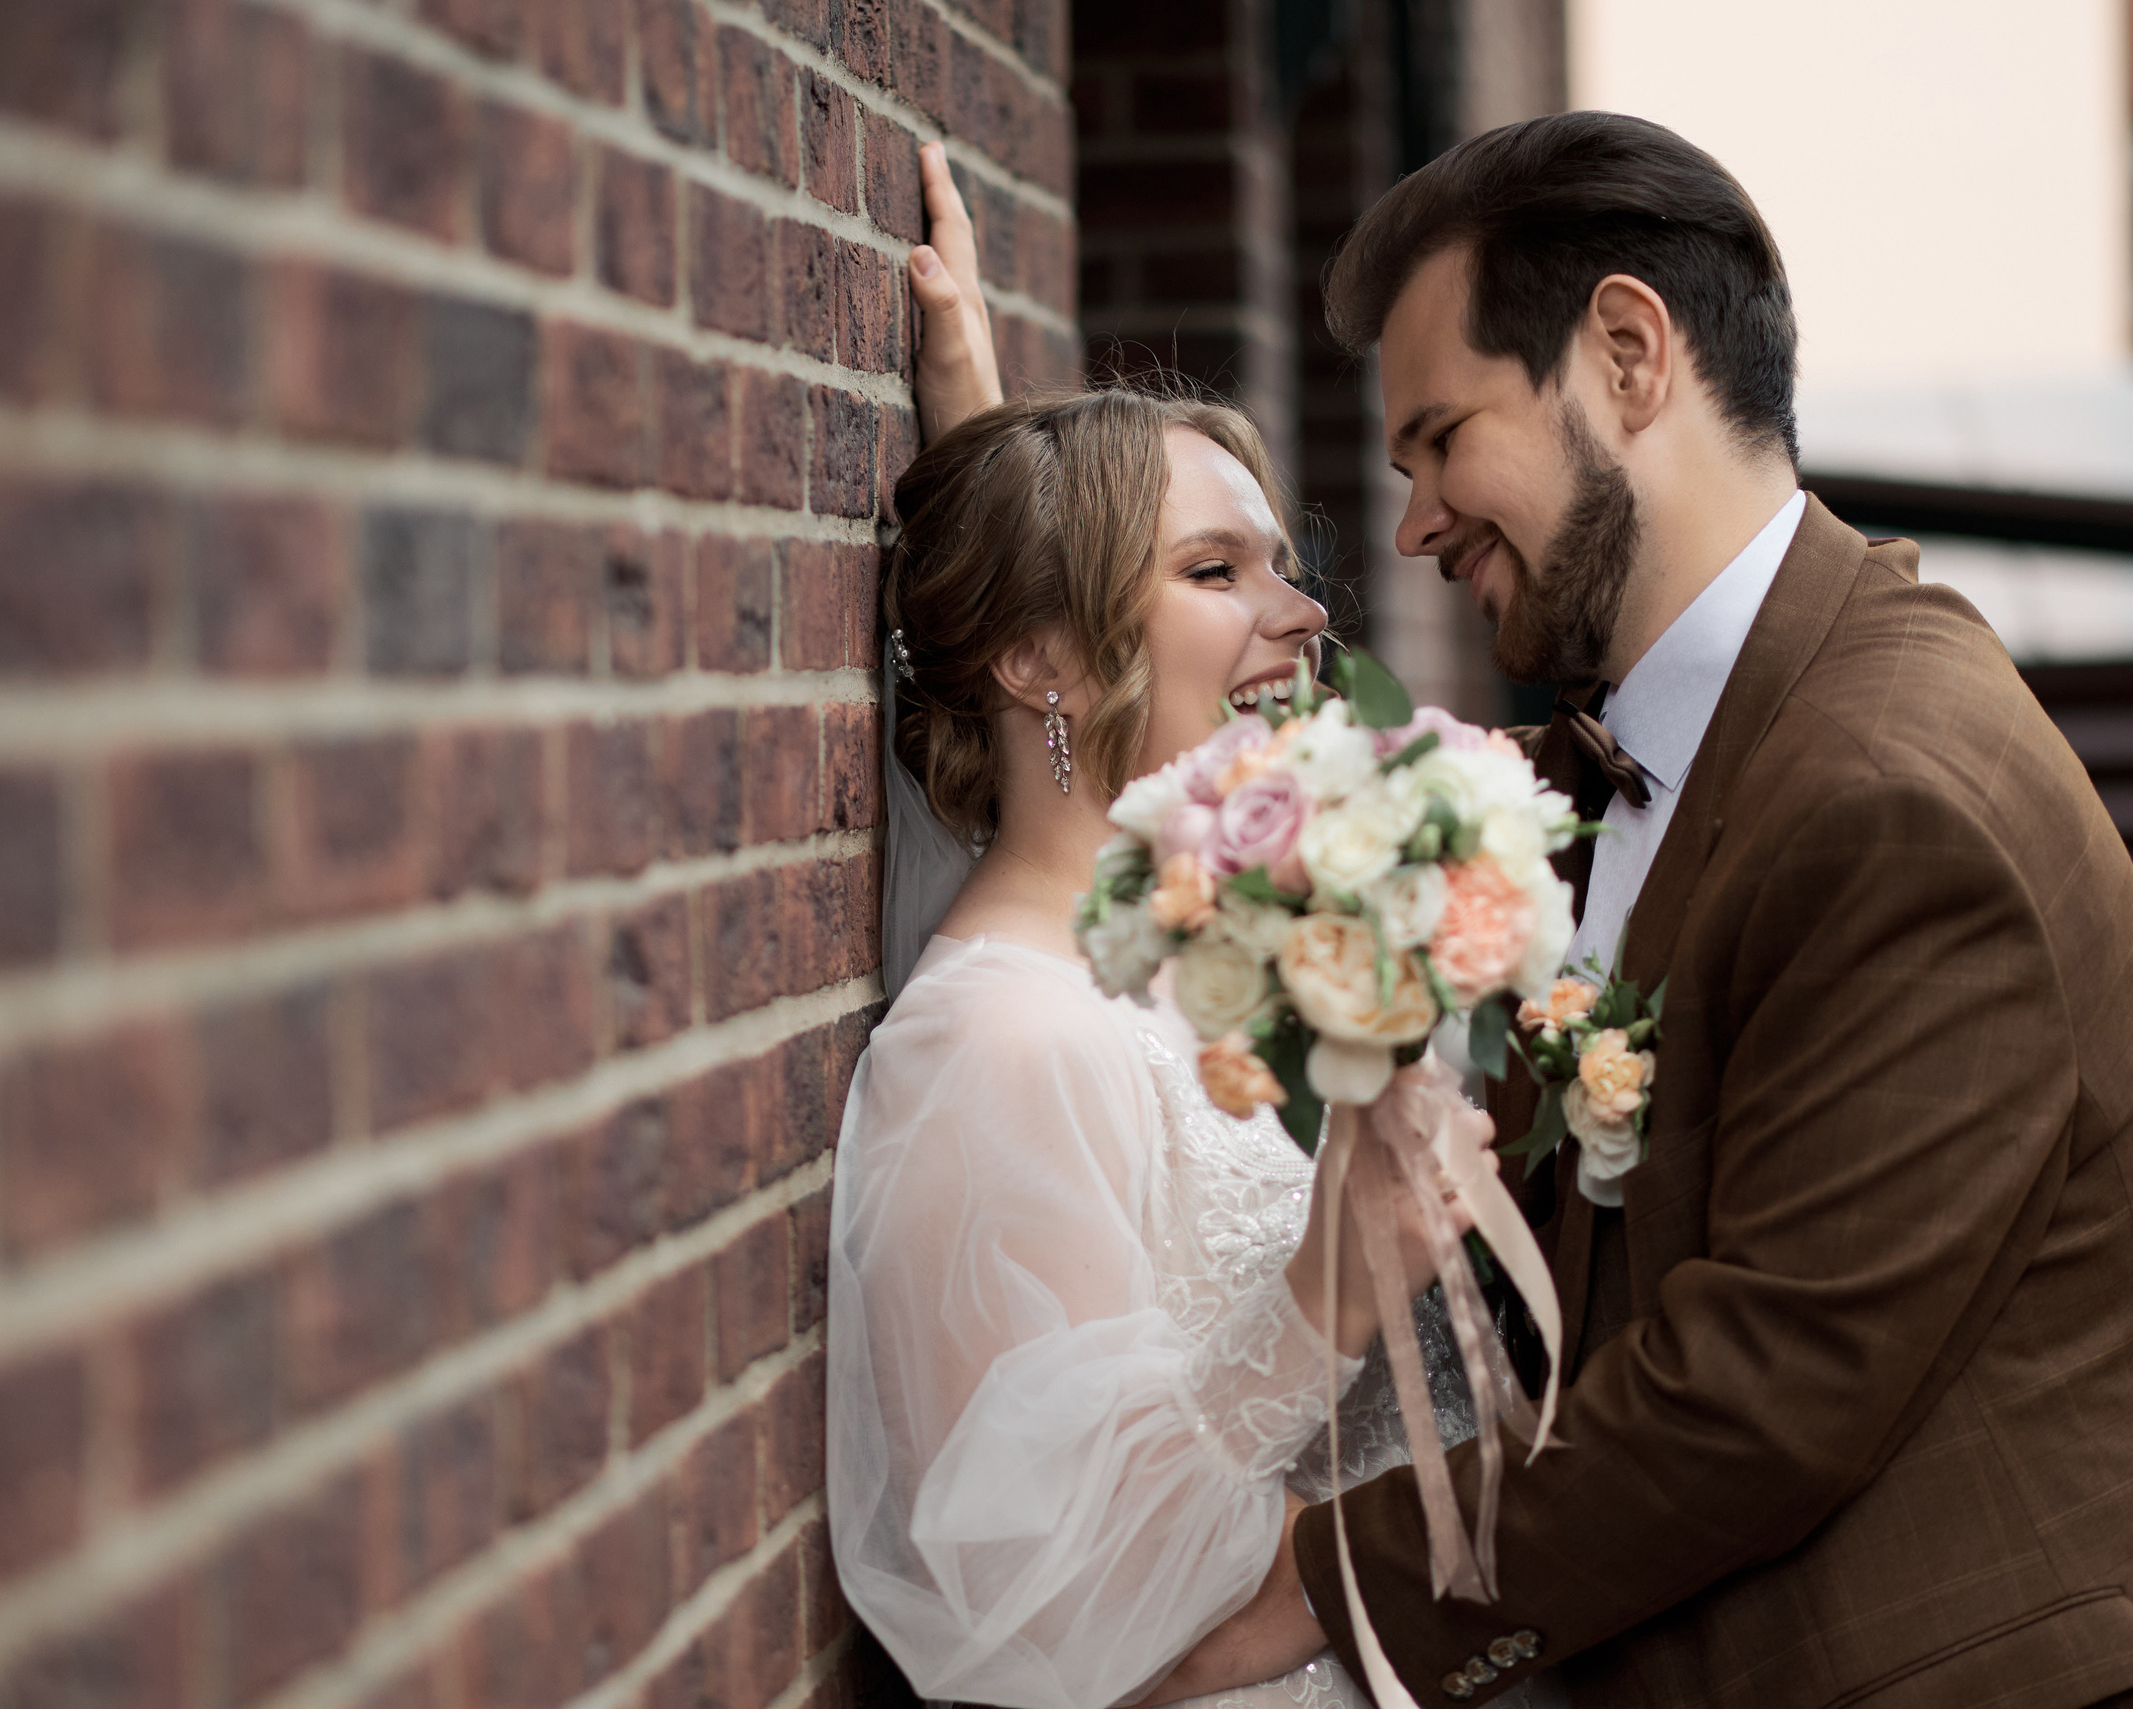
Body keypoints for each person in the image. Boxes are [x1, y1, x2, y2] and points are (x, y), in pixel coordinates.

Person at [909, 115, 2133, 1708]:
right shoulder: (1624, 759)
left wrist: (1303, 1598)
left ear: (1627, 355)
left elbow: (1763, 1390)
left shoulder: (1895, 789)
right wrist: (1024, 541)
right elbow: (1203, 772)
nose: (1412, 524)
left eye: (1438, 437)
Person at [826, 365, 1551, 1709]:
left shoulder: (1149, 979)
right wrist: (1329, 1291)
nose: (1305, 613)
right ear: (1038, 655)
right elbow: (1042, 1601)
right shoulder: (999, 1046)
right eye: (1217, 570)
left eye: (1280, 564)